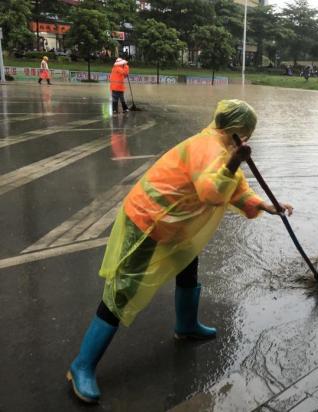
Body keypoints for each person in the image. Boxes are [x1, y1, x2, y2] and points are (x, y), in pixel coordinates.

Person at [66, 99, 294, 403]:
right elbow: (211, 191)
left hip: (173, 222)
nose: (248, 137)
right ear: (237, 130)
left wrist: (265, 205)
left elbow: (235, 188)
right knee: (123, 291)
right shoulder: (209, 148)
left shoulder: (221, 146)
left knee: (188, 265)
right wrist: (234, 162)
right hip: (148, 219)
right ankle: (81, 365)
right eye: (247, 132)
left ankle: (186, 326)